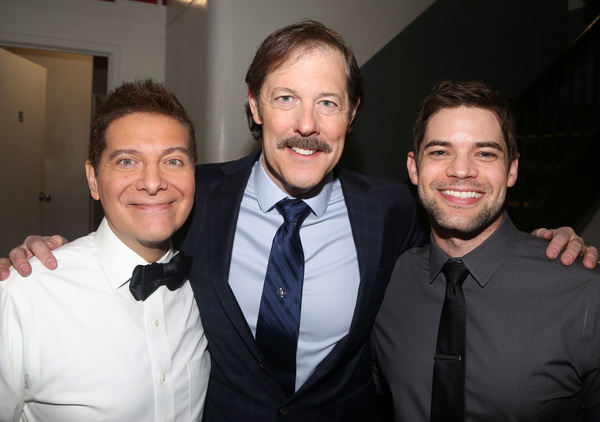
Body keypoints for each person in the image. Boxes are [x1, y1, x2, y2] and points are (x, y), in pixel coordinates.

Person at [0, 21, 597, 422]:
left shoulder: (391, 210)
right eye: (286, 98)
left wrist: (548, 241)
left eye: (328, 103)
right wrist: (44, 256)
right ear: (255, 107)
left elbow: (464, 233)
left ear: (352, 114)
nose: (307, 124)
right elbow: (130, 218)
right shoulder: (191, 194)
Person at [373, 80, 600, 421]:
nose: (461, 170)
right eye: (439, 151)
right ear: (414, 168)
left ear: (512, 170)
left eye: (485, 153)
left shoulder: (584, 293)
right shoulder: (389, 280)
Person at [0, 79, 210, 421]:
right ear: (93, 179)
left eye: (173, 161)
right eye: (127, 161)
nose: (153, 182)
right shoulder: (23, 297)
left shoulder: (207, 283)